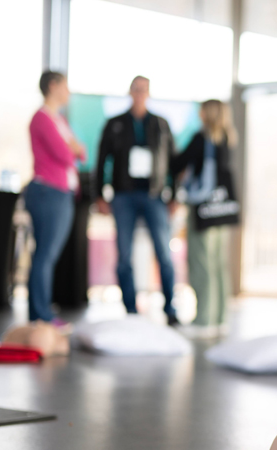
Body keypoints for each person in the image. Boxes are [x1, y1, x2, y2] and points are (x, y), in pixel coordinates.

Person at [95, 76, 179, 325]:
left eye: (144, 90)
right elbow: (102, 160)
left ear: (148, 93)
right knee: (124, 255)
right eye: (136, 89)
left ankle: (170, 307)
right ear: (130, 92)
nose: (140, 94)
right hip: (124, 195)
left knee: (164, 253)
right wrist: (99, 194)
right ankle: (130, 309)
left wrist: (174, 195)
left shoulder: (161, 124)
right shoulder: (115, 124)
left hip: (154, 196)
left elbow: (173, 162)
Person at [171, 100, 238, 336]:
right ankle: (219, 318)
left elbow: (176, 162)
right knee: (218, 264)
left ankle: (203, 321)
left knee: (201, 263)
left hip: (204, 209)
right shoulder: (228, 139)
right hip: (223, 209)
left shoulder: (201, 138)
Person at [25, 71, 86, 326]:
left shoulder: (59, 119)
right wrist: (73, 148)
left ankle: (40, 314)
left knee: (46, 255)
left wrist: (75, 149)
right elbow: (65, 153)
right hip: (48, 192)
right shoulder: (42, 118)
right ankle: (42, 315)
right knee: (45, 255)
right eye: (65, 86)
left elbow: (81, 152)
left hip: (61, 193)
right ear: (53, 86)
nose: (68, 92)